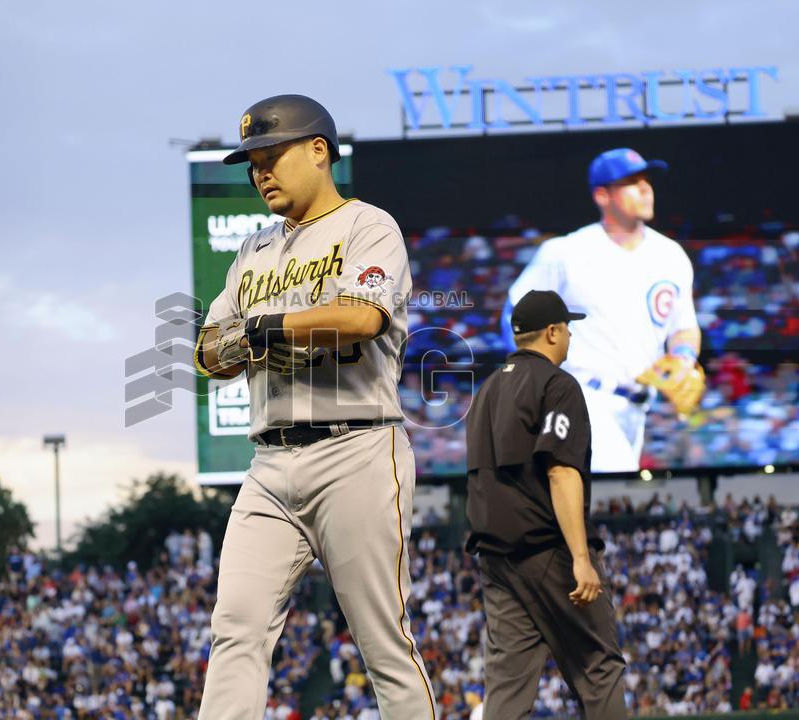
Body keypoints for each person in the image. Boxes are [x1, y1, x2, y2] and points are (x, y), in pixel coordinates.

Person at [193, 94, 436, 719]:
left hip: (357, 449)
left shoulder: (368, 226)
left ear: (319, 151)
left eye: (271, 155)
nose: (259, 172)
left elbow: (361, 316)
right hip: (270, 464)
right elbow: (206, 351)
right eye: (252, 162)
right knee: (236, 626)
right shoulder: (251, 252)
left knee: (382, 640)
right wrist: (240, 340)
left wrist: (266, 327)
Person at [467, 290, 627, 719]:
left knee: (507, 684)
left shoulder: (487, 390)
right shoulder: (558, 384)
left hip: (497, 558)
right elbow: (560, 470)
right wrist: (580, 557)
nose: (571, 336)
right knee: (599, 667)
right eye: (568, 328)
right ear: (553, 332)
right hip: (548, 550)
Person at [505, 148, 702, 472]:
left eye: (646, 180)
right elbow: (515, 311)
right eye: (631, 181)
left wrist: (683, 357)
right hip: (583, 396)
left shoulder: (671, 255)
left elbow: (684, 325)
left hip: (638, 408)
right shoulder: (567, 252)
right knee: (614, 482)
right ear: (602, 195)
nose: (644, 188)